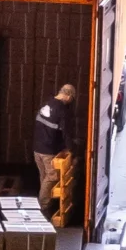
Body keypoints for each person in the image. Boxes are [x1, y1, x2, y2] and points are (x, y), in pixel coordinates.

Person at [33, 83, 77, 217]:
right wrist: (72, 150)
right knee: (52, 177)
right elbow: (67, 134)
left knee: (44, 177)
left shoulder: (46, 104)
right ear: (69, 96)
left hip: (37, 149)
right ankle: (43, 207)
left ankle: (46, 205)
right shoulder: (62, 111)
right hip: (48, 151)